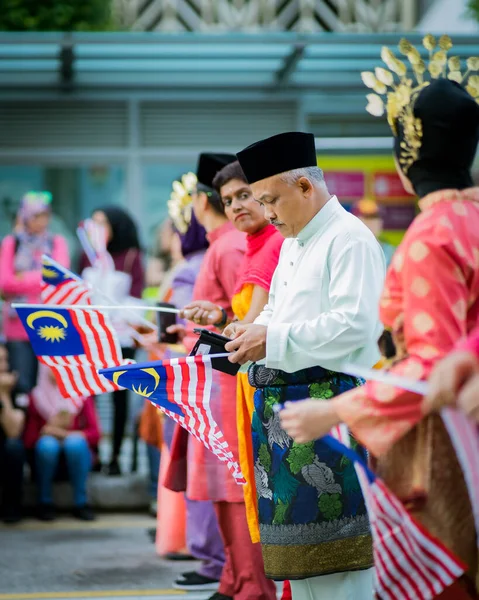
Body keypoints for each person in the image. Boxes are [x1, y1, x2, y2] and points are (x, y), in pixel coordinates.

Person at [279, 36, 479, 598]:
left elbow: (431, 366)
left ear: (406, 153)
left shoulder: (432, 236)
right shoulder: (471, 221)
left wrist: (336, 411)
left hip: (444, 444)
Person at [224, 131, 385, 598]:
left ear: (304, 187)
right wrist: (252, 329)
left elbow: (355, 327)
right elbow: (278, 309)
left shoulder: (348, 238)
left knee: (343, 569)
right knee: (304, 571)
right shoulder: (295, 241)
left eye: (271, 200)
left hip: (334, 415)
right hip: (290, 419)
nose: (267, 214)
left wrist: (272, 336)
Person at [176, 153, 276, 600]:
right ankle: (236, 579)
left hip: (235, 382)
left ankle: (251, 583)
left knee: (238, 486)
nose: (236, 206)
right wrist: (217, 315)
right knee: (226, 486)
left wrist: (221, 322)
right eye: (228, 198)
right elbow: (241, 315)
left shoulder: (238, 245)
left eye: (245, 195)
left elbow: (257, 324)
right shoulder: (243, 243)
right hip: (223, 382)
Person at [80, 206, 145, 476]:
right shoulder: (87, 256)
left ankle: (116, 456)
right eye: (92, 223)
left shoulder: (130, 257)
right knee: (91, 396)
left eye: (102, 223)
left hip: (119, 338)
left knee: (119, 398)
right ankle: (94, 453)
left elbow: (136, 297)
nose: (96, 228)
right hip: (91, 335)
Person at [0, 191, 70, 395]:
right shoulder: (12, 243)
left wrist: (23, 277)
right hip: (17, 326)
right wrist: (41, 277)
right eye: (37, 216)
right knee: (22, 385)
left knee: (49, 386)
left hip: (50, 323)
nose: (42, 221)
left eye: (45, 216)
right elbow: (5, 283)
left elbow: (59, 277)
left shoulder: (56, 242)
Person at [24, 366, 100, 521]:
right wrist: (47, 430)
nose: (57, 371)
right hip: (46, 462)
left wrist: (64, 433)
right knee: (47, 445)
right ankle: (44, 501)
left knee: (75, 444)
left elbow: (95, 434)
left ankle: (81, 502)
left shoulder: (81, 394)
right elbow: (28, 440)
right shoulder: (36, 397)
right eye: (52, 367)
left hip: (76, 460)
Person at [0, 341, 25, 524]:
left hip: (5, 444)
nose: (4, 366)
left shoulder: (14, 388)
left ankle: (11, 508)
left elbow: (13, 431)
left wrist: (3, 395)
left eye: (5, 360)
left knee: (14, 448)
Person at [353, 198, 396, 267]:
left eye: (375, 217)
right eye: (366, 218)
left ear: (381, 222)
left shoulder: (392, 252)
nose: (371, 222)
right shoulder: (349, 251)